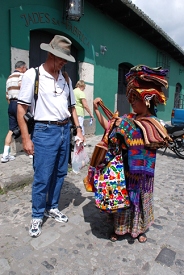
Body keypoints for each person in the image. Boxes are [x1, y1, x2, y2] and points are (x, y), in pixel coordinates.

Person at [93, 65, 169, 243]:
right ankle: (119, 229)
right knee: (124, 200)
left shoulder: (153, 124)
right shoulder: (128, 119)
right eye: (131, 98)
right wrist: (98, 110)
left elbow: (144, 137)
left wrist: (125, 128)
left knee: (140, 201)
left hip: (141, 177)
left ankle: (139, 230)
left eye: (136, 98)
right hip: (125, 173)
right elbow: (109, 128)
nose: (132, 102)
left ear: (147, 100)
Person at [17, 35, 83, 237]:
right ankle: (37, 215)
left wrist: (78, 129)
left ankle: (52, 206)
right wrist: (27, 139)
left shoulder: (66, 78)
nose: (63, 62)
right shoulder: (33, 75)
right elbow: (21, 109)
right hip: (44, 132)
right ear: (50, 53)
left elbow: (72, 107)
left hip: (64, 131)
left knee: (60, 173)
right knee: (42, 177)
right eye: (61, 58)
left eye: (65, 59)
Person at [1, 61, 27, 163]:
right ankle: (31, 153)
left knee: (11, 129)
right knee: (28, 126)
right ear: (22, 67)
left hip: (11, 103)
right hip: (20, 104)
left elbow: (7, 95)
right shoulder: (22, 76)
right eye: (26, 68)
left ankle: (5, 154)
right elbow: (24, 89)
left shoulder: (9, 78)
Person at [73, 80, 94, 145]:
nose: (84, 89)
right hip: (79, 113)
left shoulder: (73, 91)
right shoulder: (81, 93)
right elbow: (85, 105)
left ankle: (74, 141)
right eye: (84, 87)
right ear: (82, 86)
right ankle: (81, 141)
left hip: (72, 112)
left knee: (74, 127)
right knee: (80, 127)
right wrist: (91, 114)